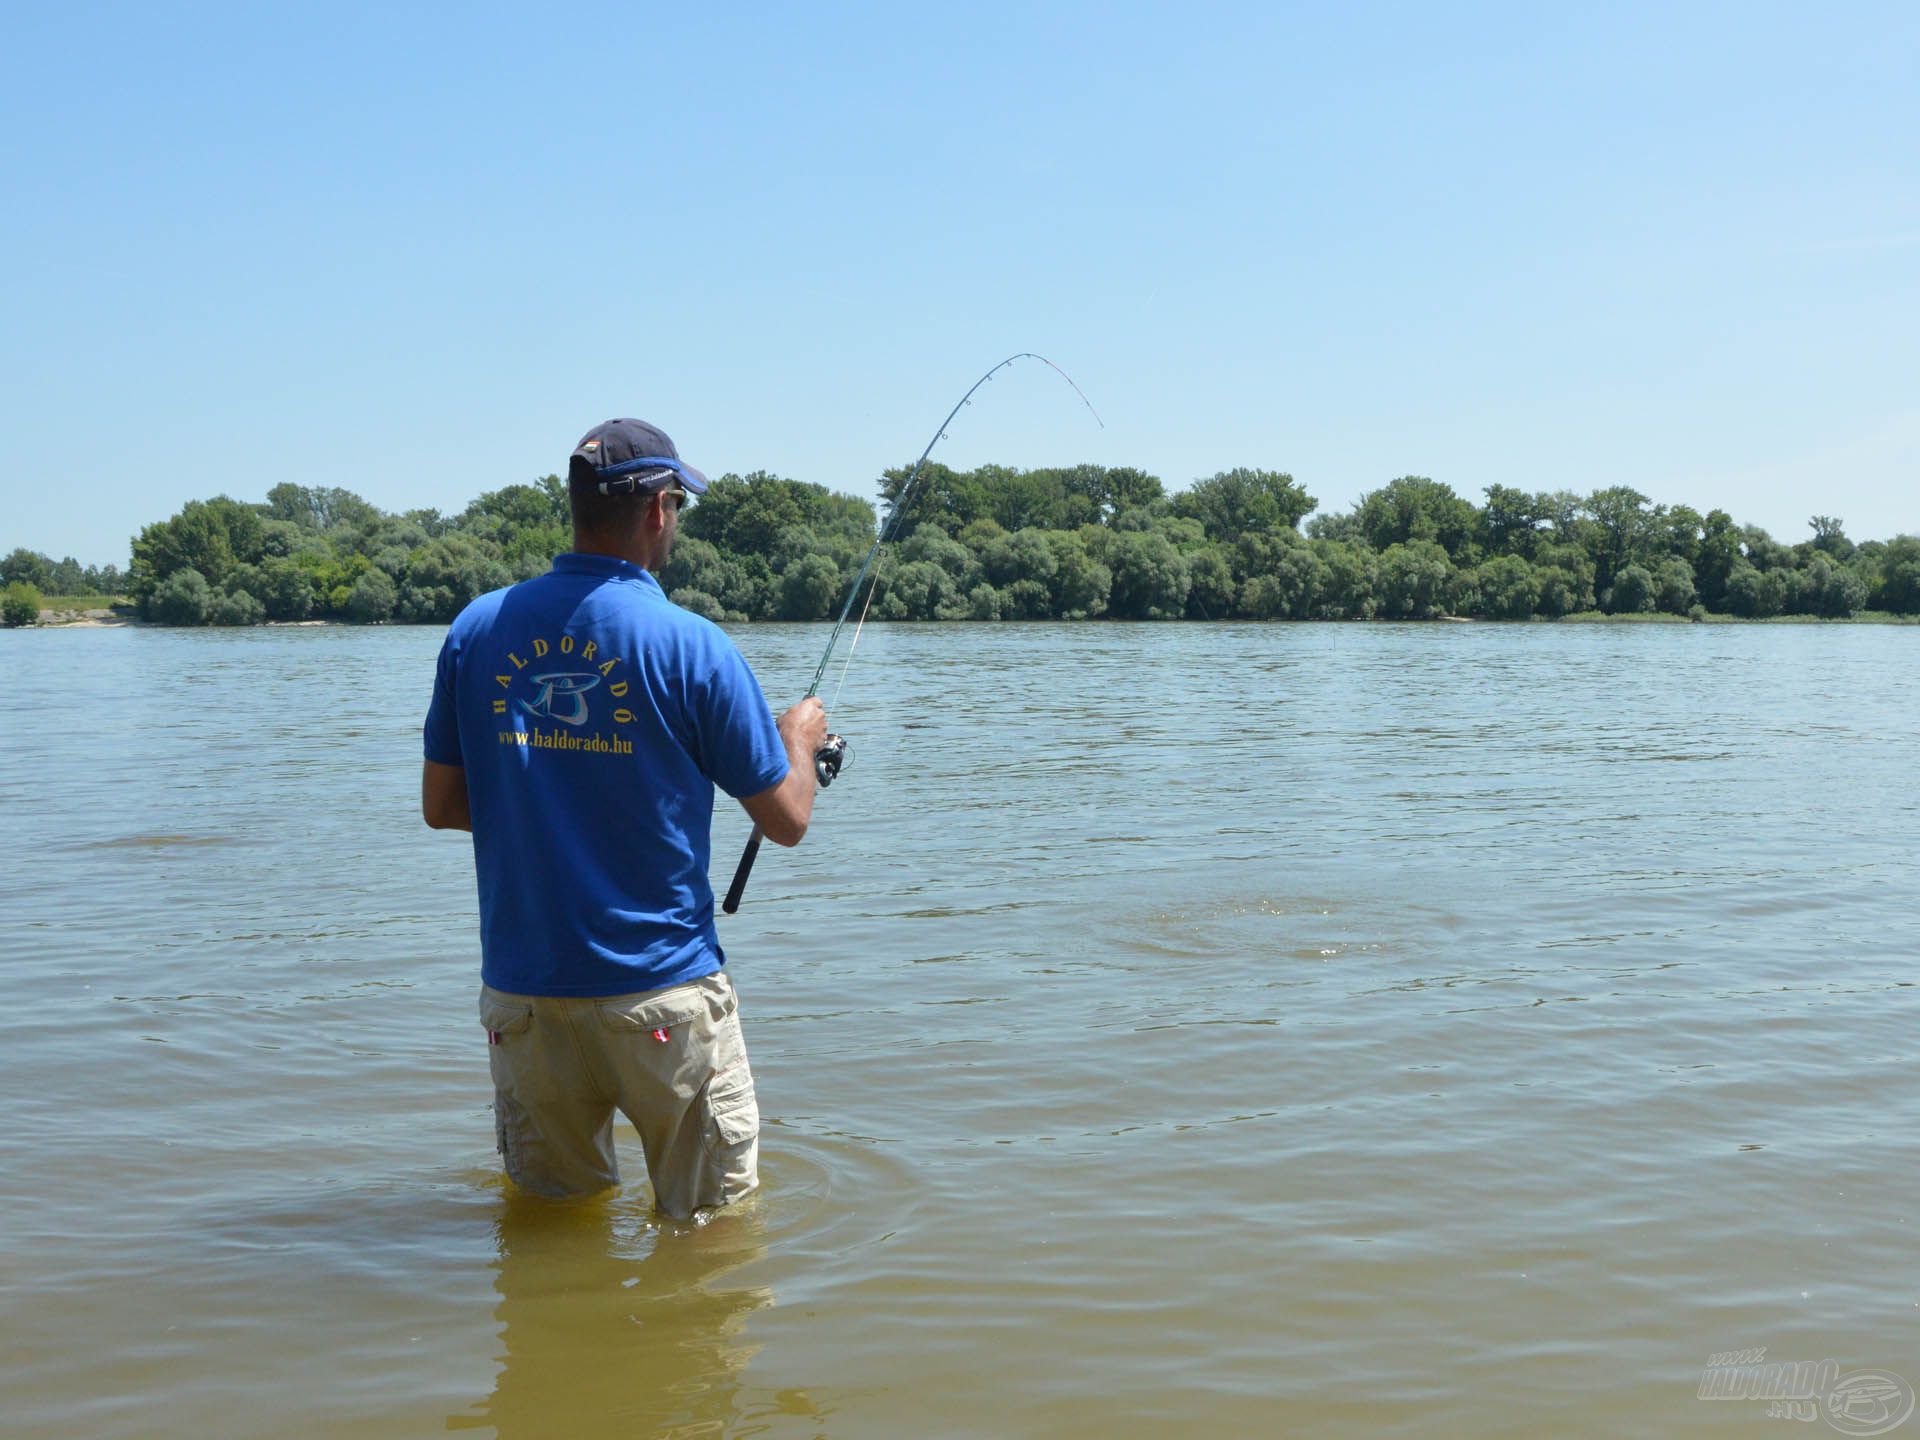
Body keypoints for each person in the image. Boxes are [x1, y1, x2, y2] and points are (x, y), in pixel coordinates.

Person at [421, 417, 826, 1217]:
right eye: (678, 501)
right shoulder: (694, 646)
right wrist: (799, 740)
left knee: (551, 1232)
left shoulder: (476, 631)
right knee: (711, 1233)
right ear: (657, 511)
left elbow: (444, 807)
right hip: (663, 995)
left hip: (526, 999)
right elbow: (785, 819)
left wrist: (551, 803)